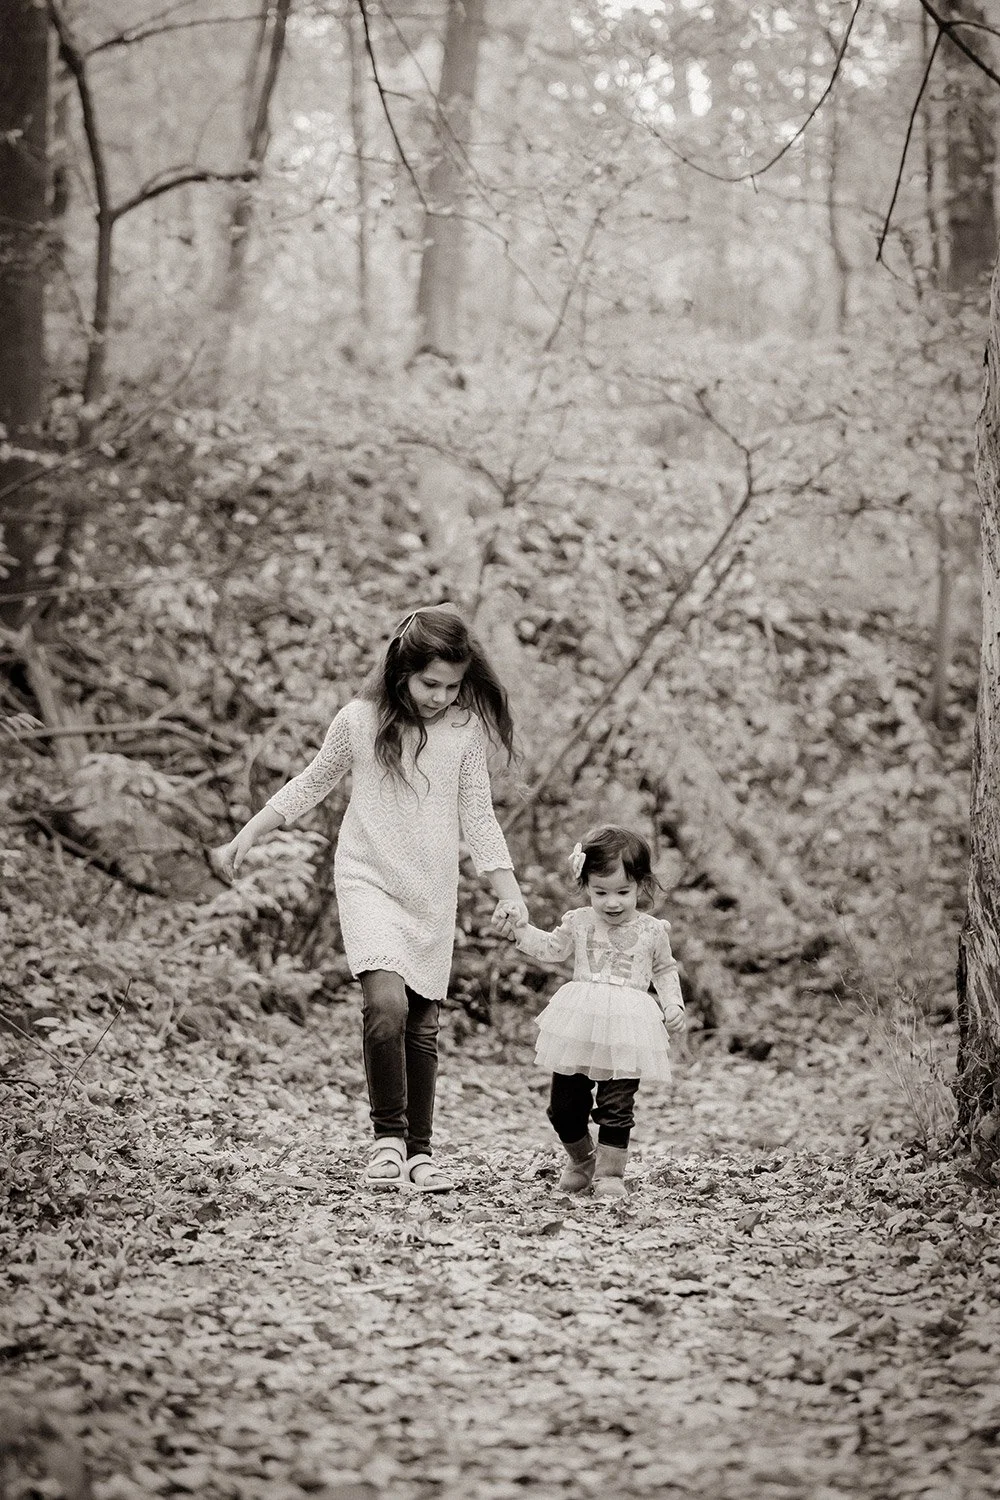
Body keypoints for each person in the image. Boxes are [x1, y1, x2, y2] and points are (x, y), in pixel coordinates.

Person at [213, 605, 527, 1193]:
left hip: (431, 889)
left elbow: (480, 821)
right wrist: (246, 836)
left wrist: (510, 894)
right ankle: (388, 1141)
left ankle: (420, 1152)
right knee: (387, 1007)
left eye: (452, 686)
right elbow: (310, 782)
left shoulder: (462, 734)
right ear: (400, 669)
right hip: (368, 879)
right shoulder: (358, 720)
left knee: (423, 1027)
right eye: (429, 683)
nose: (440, 696)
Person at [495, 825, 685, 1200]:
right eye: (600, 892)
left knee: (616, 1104)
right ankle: (582, 1158)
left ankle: (611, 1174)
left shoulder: (651, 930)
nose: (611, 902)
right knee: (564, 1106)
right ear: (585, 886)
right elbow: (551, 948)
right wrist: (520, 931)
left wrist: (672, 1003)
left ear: (641, 885)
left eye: (622, 892)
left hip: (628, 1025)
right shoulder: (579, 922)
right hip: (580, 1023)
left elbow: (664, 968)